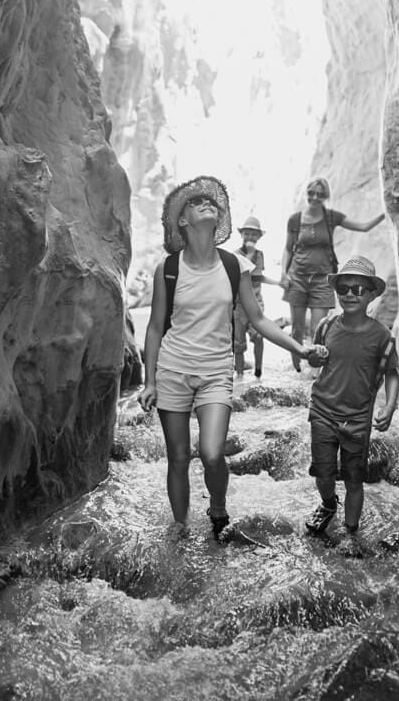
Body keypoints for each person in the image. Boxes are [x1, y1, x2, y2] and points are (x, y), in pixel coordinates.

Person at [139, 176, 315, 540]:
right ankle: (180, 524)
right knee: (178, 458)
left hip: (216, 373)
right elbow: (156, 327)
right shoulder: (167, 269)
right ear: (183, 221)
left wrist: (298, 347)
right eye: (196, 201)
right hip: (172, 369)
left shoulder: (235, 266)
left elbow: (259, 319)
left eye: (211, 201)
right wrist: (149, 381)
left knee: (212, 453)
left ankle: (217, 506)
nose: (207, 203)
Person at [303, 256, 399, 537]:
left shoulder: (382, 336)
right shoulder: (327, 326)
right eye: (343, 289)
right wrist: (314, 357)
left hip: (357, 419)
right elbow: (315, 363)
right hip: (322, 411)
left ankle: (350, 531)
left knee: (354, 478)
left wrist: (390, 406)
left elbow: (392, 373)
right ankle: (328, 503)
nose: (349, 294)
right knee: (323, 472)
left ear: (370, 294)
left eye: (357, 289)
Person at [280, 177, 386, 372]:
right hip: (297, 279)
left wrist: (387, 209)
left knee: (317, 328)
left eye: (320, 194)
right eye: (311, 193)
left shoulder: (331, 217)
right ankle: (297, 370)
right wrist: (283, 273)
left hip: (322, 280)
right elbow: (288, 249)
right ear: (306, 193)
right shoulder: (295, 220)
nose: (315, 197)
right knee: (296, 329)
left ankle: (314, 373)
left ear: (326, 197)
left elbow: (363, 227)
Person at [231, 216, 278, 379]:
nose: (250, 237)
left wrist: (278, 283)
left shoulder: (260, 255)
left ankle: (258, 372)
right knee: (238, 343)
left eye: (254, 235)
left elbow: (257, 277)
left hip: (256, 303)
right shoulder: (235, 255)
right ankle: (239, 375)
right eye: (247, 234)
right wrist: (249, 254)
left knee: (258, 336)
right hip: (238, 305)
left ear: (258, 237)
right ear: (241, 235)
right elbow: (240, 274)